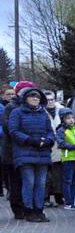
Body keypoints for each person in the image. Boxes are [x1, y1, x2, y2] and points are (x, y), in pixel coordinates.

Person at [8, 87, 56, 222]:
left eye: (38, 97)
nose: (35, 99)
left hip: (43, 153)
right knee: (29, 182)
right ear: (25, 98)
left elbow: (50, 131)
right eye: (32, 96)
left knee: (41, 183)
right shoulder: (17, 113)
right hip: (25, 153)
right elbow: (14, 131)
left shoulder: (43, 114)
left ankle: (39, 210)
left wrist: (48, 141)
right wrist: (30, 140)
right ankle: (29, 210)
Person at [1, 82, 29, 219]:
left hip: (27, 150)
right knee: (15, 181)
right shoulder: (11, 107)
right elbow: (8, 128)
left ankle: (27, 206)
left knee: (27, 181)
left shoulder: (33, 107)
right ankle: (18, 208)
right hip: (12, 151)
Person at [44, 91, 63, 206]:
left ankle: (59, 196)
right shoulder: (41, 112)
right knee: (47, 175)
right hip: (47, 145)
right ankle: (45, 197)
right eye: (48, 100)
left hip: (60, 145)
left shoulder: (61, 110)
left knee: (58, 173)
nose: (50, 102)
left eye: (52, 99)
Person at [58, 110, 75, 209]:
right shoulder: (61, 130)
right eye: (68, 118)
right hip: (68, 158)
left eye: (72, 118)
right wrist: (74, 146)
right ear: (63, 120)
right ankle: (68, 201)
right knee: (68, 180)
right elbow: (61, 143)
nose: (71, 120)